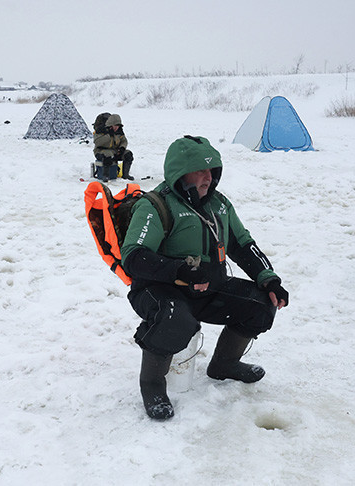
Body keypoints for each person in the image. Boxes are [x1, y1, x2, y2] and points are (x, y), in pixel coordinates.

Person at [120, 135, 289, 420]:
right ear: (179, 173)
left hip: (209, 289)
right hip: (158, 292)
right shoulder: (156, 205)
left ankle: (224, 364)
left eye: (211, 171)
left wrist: (268, 279)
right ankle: (152, 384)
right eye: (199, 171)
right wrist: (178, 270)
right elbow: (134, 256)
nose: (207, 178)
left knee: (261, 304)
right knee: (175, 317)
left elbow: (242, 243)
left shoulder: (219, 205)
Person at [93, 113, 134, 181]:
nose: (116, 127)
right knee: (108, 155)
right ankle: (105, 176)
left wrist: (122, 148)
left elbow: (124, 141)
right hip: (101, 151)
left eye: (118, 126)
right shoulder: (101, 130)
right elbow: (97, 142)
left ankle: (126, 175)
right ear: (111, 124)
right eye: (115, 125)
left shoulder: (119, 131)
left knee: (128, 154)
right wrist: (109, 135)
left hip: (115, 151)